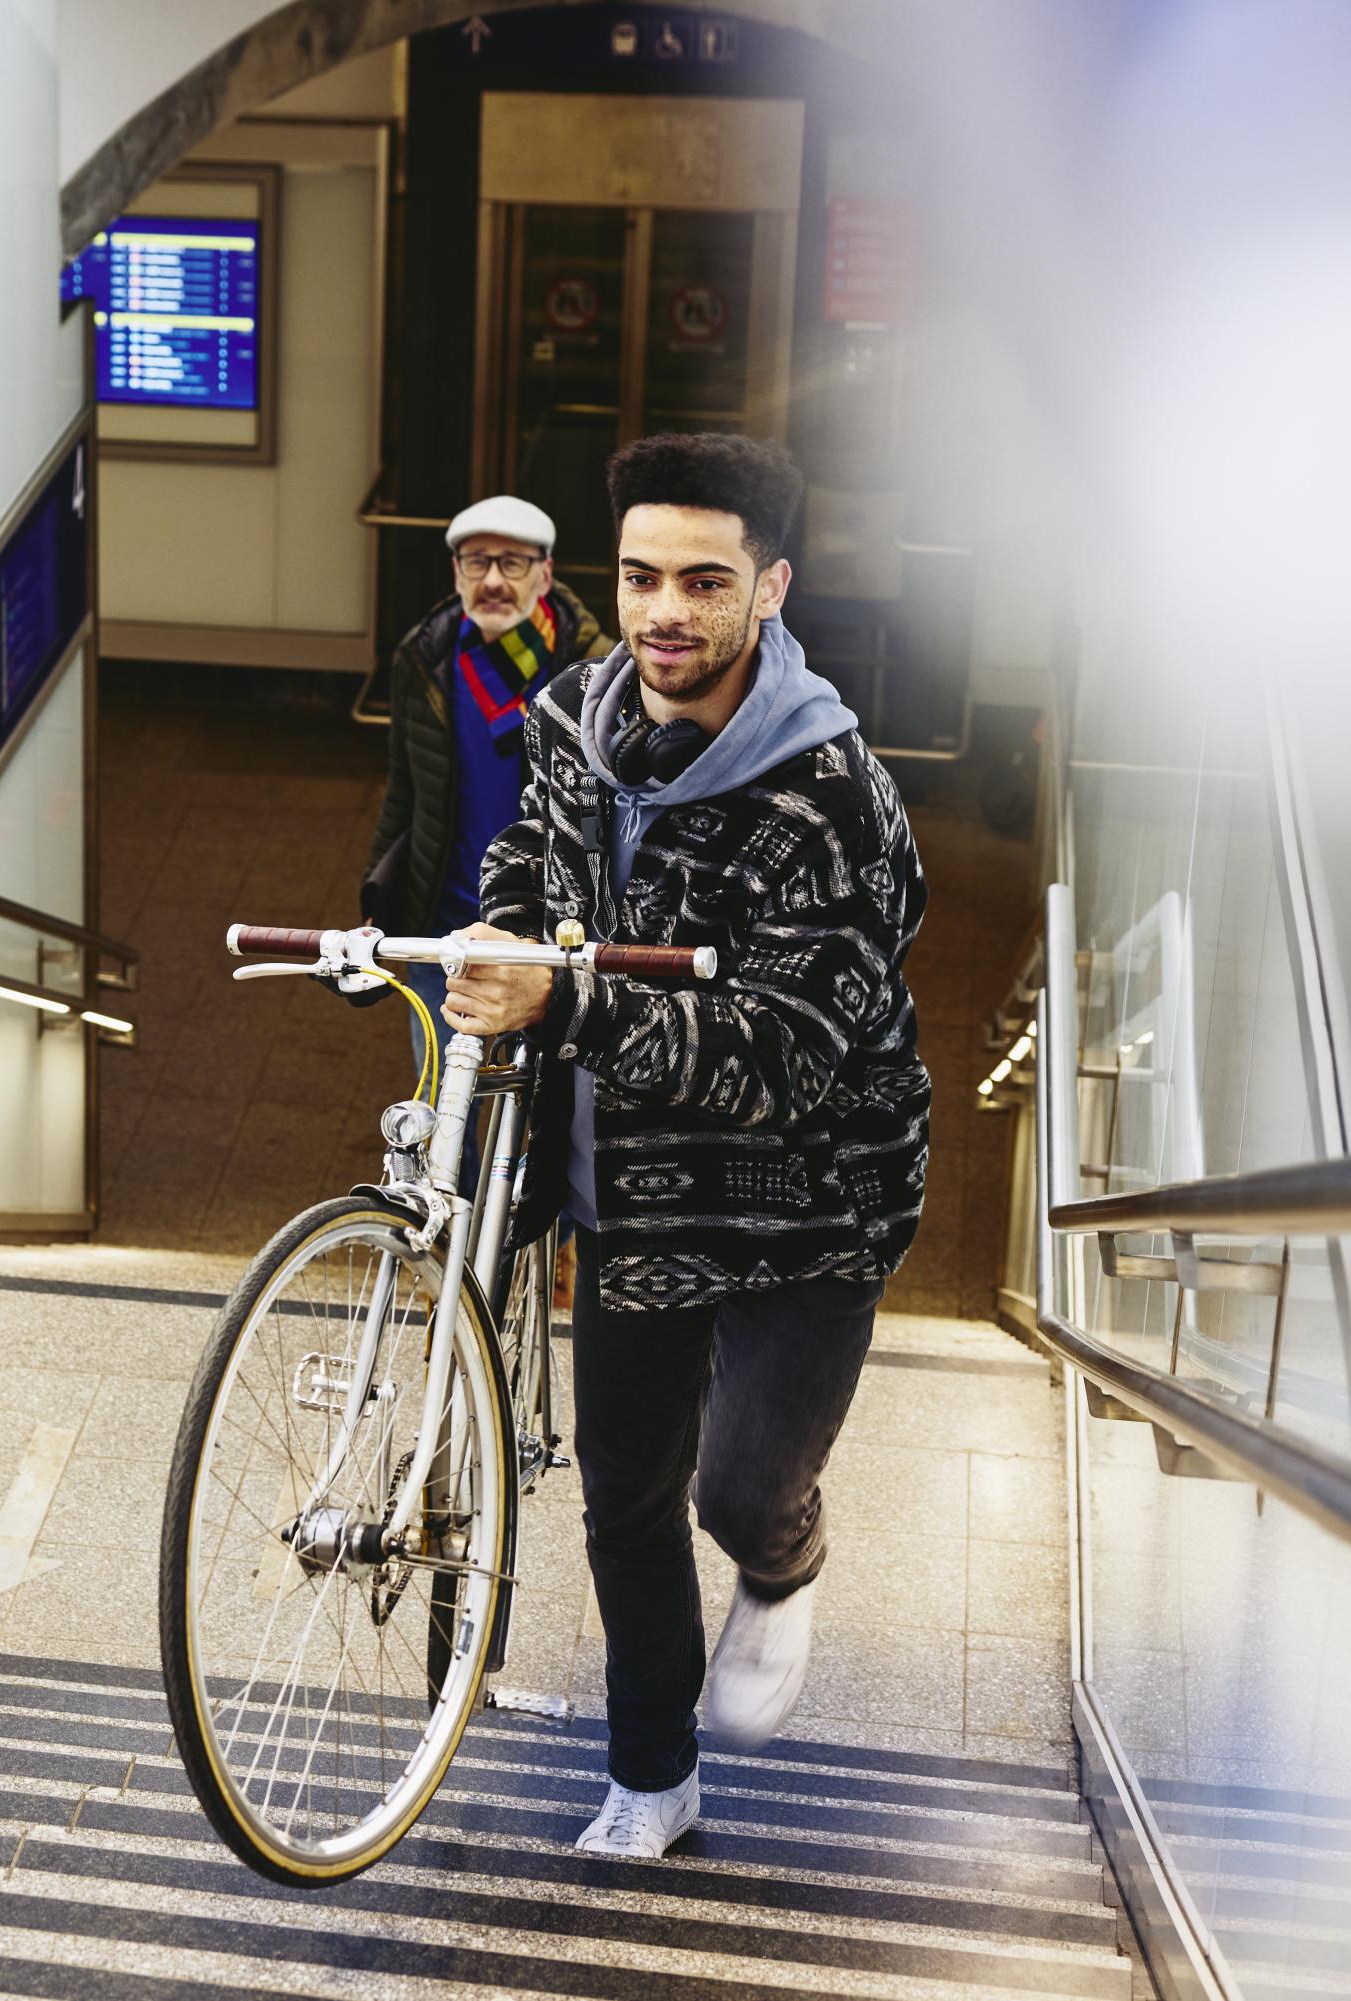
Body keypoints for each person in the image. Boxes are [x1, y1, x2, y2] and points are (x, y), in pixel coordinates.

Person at [437, 433, 932, 1861]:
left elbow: (779, 1061)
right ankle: (652, 1776)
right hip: (639, 1194)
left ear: (768, 587)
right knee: (629, 1496)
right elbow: (537, 849)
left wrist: (569, 996)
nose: (665, 610)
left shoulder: (834, 799)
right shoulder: (583, 707)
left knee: (735, 1491)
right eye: (642, 575)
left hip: (809, 1205)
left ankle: (784, 1564)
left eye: (705, 582)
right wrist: (505, 923)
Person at [365, 495, 603, 1040]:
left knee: (538, 1109)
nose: (493, 581)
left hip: (545, 938)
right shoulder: (423, 660)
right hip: (443, 933)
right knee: (444, 1106)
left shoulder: (593, 675)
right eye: (478, 562)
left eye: (512, 562)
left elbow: (601, 811)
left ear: (545, 574)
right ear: (456, 573)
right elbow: (403, 791)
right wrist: (377, 895)